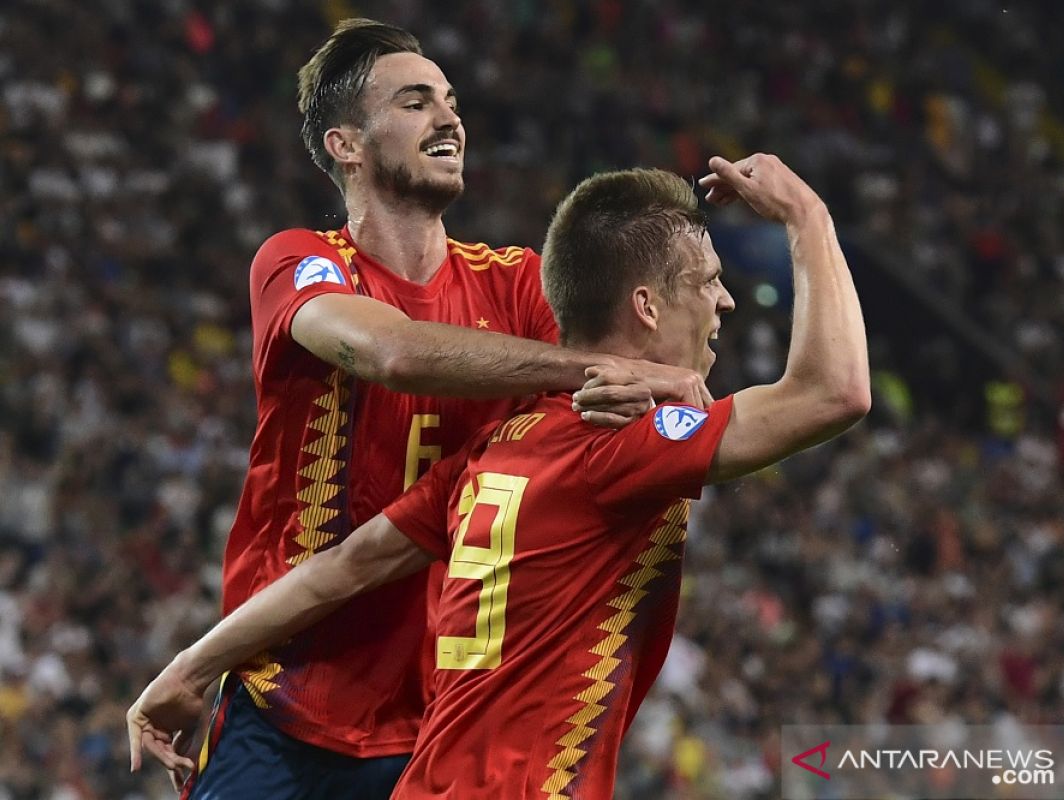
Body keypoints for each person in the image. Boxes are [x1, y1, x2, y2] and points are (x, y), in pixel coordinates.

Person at [129, 154, 870, 797]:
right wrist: (808, 216)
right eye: (709, 281)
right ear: (645, 306)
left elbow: (344, 567)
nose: (726, 300)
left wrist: (192, 666)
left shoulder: (494, 450)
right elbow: (833, 393)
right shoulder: (621, 446)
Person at [170, 17, 710, 800]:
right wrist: (591, 365)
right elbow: (390, 353)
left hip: (448, 726)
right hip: (290, 703)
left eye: (451, 101)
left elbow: (646, 372)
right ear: (346, 145)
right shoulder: (301, 262)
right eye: (415, 102)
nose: (450, 118)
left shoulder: (520, 283)